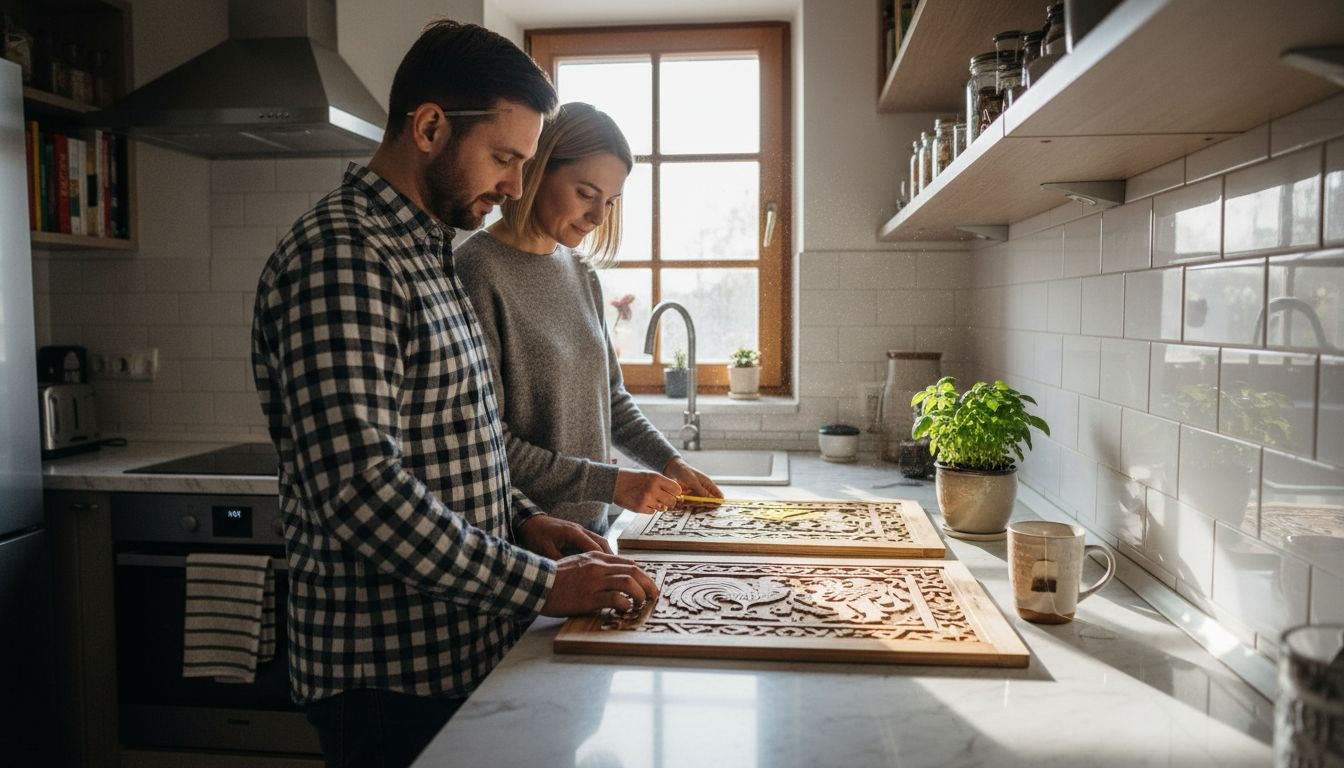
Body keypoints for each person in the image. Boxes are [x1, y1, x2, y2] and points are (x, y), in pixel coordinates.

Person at [251, 23, 658, 768]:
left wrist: (527, 521)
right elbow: (363, 492)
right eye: (504, 158)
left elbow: (460, 441)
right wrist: (542, 585)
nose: (512, 185)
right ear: (431, 126)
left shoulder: (424, 253)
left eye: (524, 162)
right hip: (386, 675)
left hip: (455, 647)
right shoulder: (345, 256)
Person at [455, 103, 723, 535]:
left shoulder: (580, 273)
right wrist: (611, 483)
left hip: (590, 537)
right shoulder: (476, 272)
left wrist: (672, 462)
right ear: (538, 170)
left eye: (610, 202)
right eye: (586, 193)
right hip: (520, 543)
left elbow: (612, 401)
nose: (599, 217)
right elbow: (487, 442)